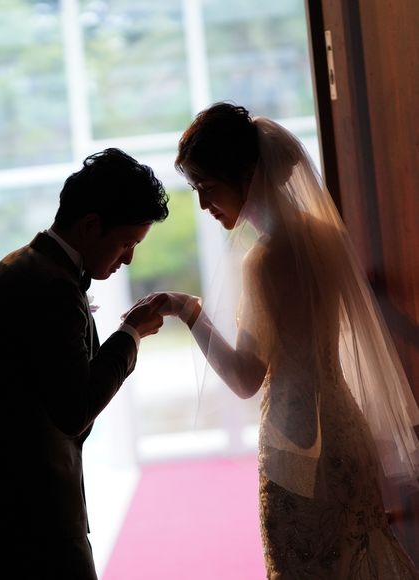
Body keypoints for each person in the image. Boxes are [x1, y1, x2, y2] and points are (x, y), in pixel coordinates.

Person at [130, 103, 419, 577]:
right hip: (347, 435)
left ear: (247, 174)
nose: (203, 205)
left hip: (297, 450)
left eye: (207, 187)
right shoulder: (323, 236)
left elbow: (246, 379)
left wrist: (188, 310)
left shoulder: (263, 260)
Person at [0, 148, 169, 579]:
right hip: (27, 517)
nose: (128, 259)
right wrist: (131, 334)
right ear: (90, 225)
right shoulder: (54, 289)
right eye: (127, 243)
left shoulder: (20, 265)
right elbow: (74, 410)